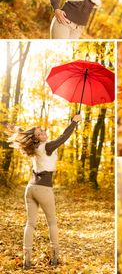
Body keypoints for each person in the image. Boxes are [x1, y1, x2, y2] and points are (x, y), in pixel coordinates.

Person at [8, 114, 82, 269]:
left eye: (42, 131)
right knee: (52, 223)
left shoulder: (34, 148)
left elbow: (24, 132)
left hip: (30, 188)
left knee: (30, 224)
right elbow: (63, 137)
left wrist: (15, 127)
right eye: (39, 134)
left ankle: (26, 261)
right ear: (36, 139)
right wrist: (74, 122)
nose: (43, 133)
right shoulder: (46, 147)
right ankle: (55, 258)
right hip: (43, 188)